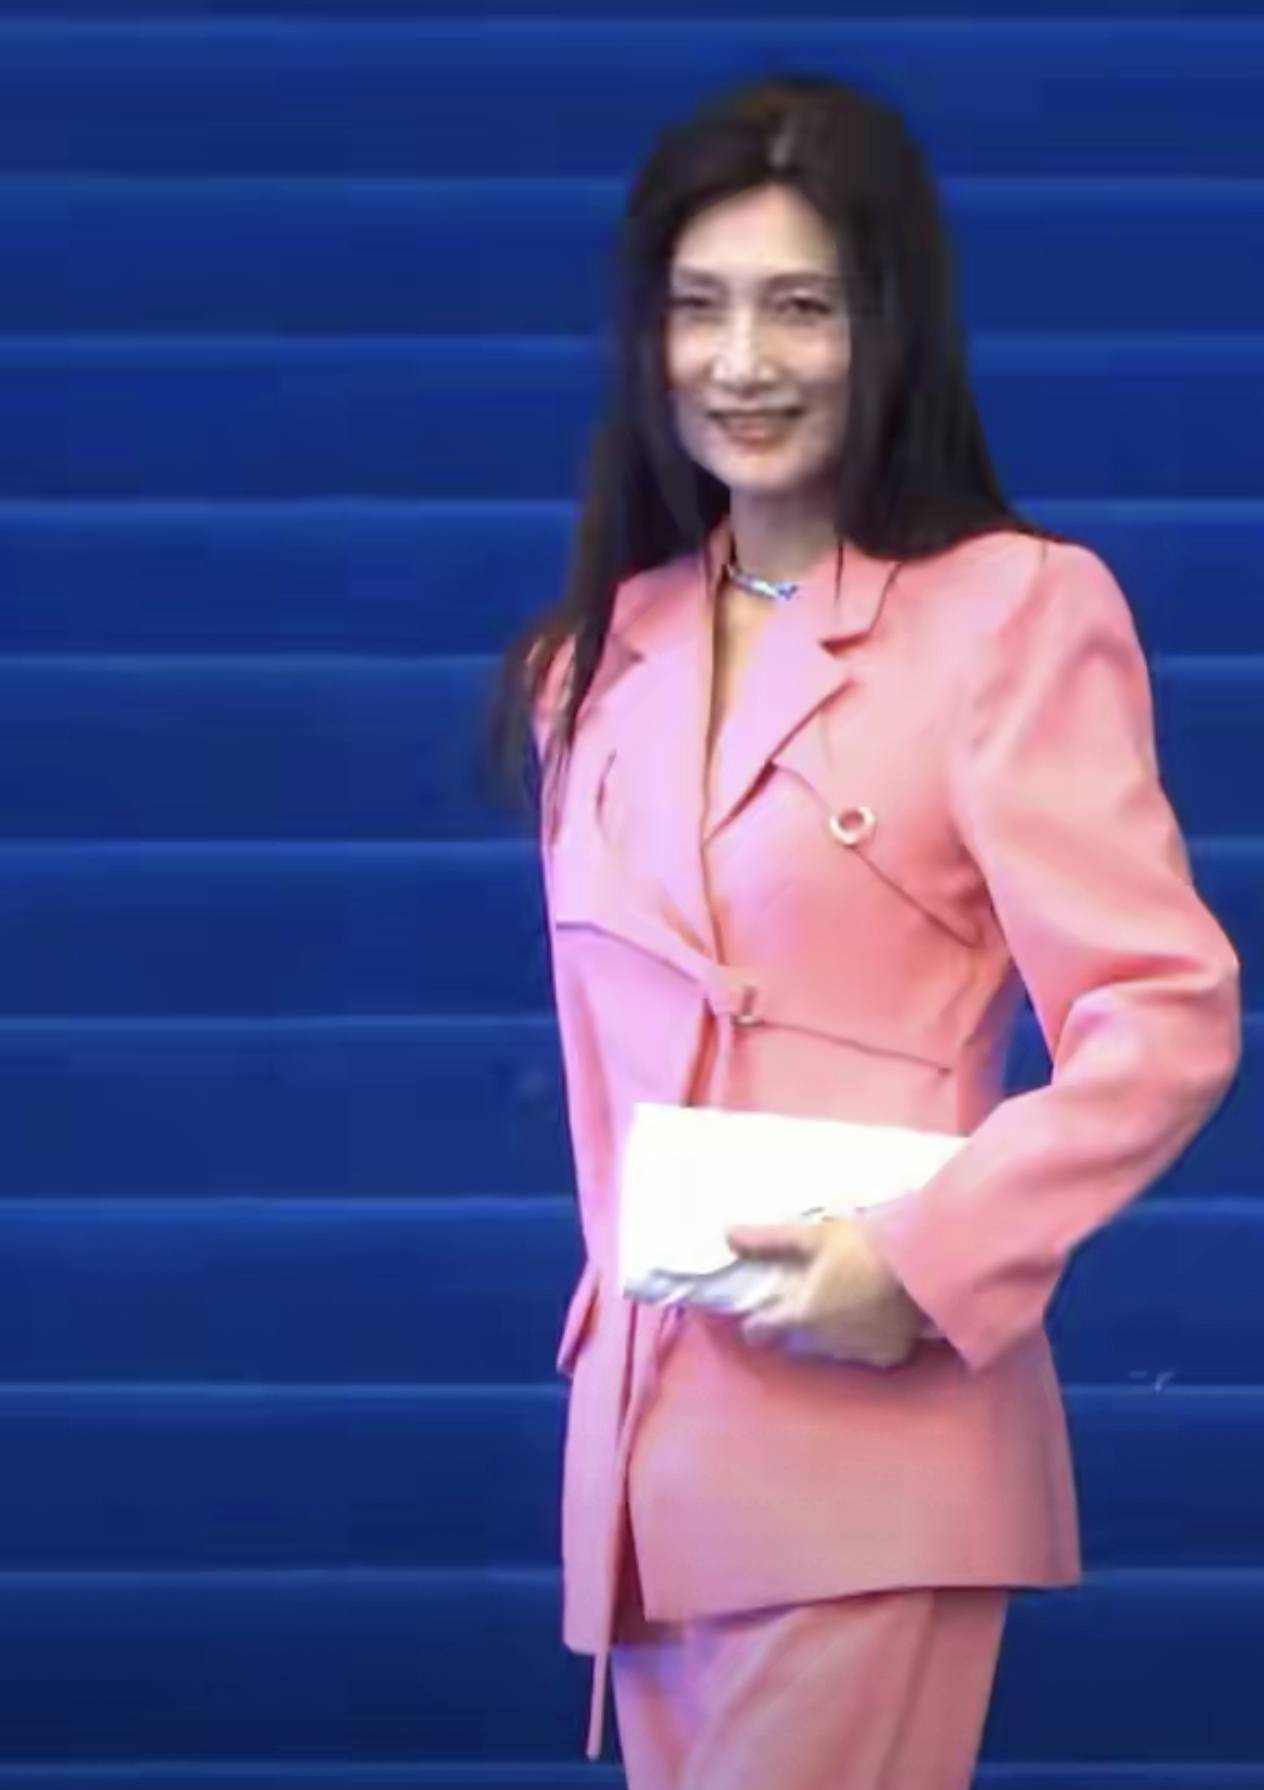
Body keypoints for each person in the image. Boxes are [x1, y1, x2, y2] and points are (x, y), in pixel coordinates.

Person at [486, 72, 1243, 1790]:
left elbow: (1165, 1007)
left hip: (872, 1440)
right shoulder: (589, 662)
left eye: (801, 308)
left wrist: (922, 1259)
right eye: (699, 308)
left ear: (887, 327)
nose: (741, 360)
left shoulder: (1011, 616)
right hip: (645, 1474)